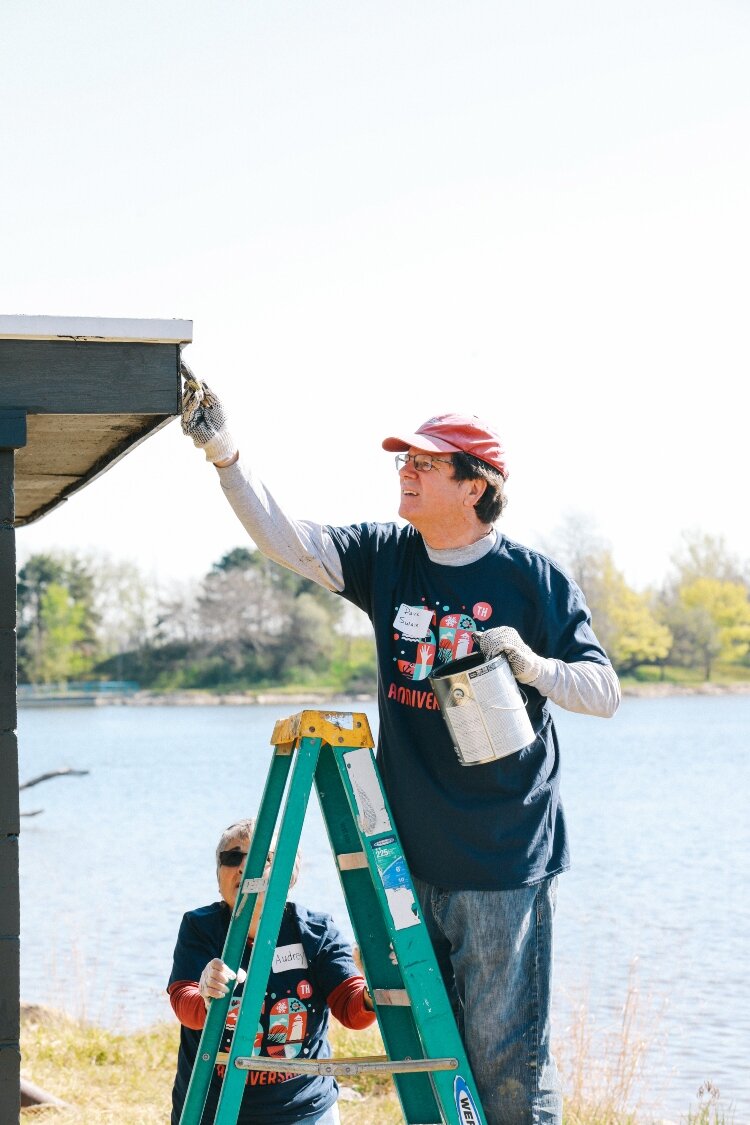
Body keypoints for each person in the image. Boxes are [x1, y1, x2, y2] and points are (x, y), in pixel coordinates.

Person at [180, 366, 621, 1125]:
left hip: (502, 858)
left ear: (474, 485)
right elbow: (289, 541)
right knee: (434, 1052)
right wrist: (225, 453)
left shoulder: (532, 579)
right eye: (403, 461)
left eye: (424, 463)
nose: (406, 473)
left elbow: (603, 691)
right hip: (406, 857)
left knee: (506, 1059)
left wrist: (531, 664)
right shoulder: (390, 556)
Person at [167, 817, 376, 1125]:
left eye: (263, 859)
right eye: (233, 857)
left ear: (289, 874)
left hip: (304, 1109)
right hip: (211, 1111)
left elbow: (352, 1010)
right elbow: (186, 1007)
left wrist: (373, 989)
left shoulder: (317, 932)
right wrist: (206, 995)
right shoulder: (200, 927)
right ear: (218, 874)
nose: (244, 868)